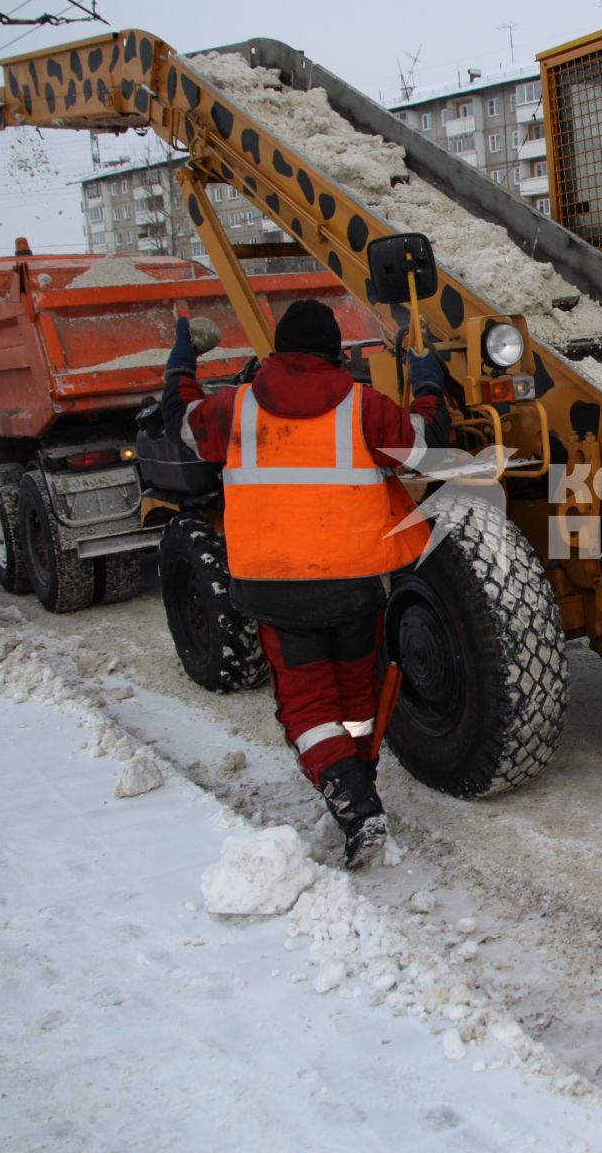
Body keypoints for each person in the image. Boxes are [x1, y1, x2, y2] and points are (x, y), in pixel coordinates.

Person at [163, 299, 449, 868]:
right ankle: (356, 783)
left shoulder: (237, 408)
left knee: (307, 706)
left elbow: (180, 424)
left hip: (274, 588)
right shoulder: (364, 408)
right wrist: (427, 381)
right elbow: (425, 445)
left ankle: (355, 802)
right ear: (336, 354)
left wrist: (181, 361)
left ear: (277, 354)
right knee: (354, 698)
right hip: (354, 585)